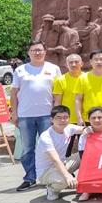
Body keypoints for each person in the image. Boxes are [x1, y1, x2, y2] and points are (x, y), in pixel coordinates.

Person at [12, 40, 62, 191]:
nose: (37, 52)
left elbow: (58, 92)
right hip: (25, 115)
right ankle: (30, 178)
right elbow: (14, 93)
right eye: (34, 50)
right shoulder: (20, 70)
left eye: (40, 50)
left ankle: (49, 176)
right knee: (27, 149)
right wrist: (15, 114)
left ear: (45, 52)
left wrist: (56, 113)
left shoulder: (54, 69)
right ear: (29, 53)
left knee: (48, 146)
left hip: (47, 115)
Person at [35, 105, 82, 201]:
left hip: (63, 164)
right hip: (46, 171)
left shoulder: (68, 128)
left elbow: (85, 129)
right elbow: (55, 160)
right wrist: (68, 176)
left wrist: (87, 130)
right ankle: (52, 189)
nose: (62, 120)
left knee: (84, 154)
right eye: (58, 118)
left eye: (65, 117)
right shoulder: (46, 137)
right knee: (64, 181)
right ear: (52, 119)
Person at [75, 106, 102, 201]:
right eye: (93, 118)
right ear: (89, 119)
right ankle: (87, 190)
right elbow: (83, 155)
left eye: (99, 117)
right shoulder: (85, 134)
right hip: (93, 162)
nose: (96, 120)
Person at [53, 54, 84, 124]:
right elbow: (58, 102)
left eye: (76, 62)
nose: (74, 65)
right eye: (71, 62)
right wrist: (57, 118)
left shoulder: (87, 78)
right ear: (66, 65)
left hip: (86, 118)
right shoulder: (60, 80)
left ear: (81, 63)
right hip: (67, 119)